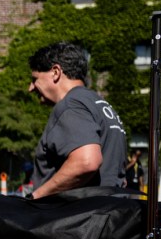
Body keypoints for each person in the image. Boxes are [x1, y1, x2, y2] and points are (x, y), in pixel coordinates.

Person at [27, 42, 127, 199]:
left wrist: (37, 196)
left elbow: (87, 161)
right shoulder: (99, 105)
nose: (31, 88)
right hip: (110, 214)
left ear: (55, 72)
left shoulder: (70, 104)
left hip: (80, 218)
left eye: (35, 79)